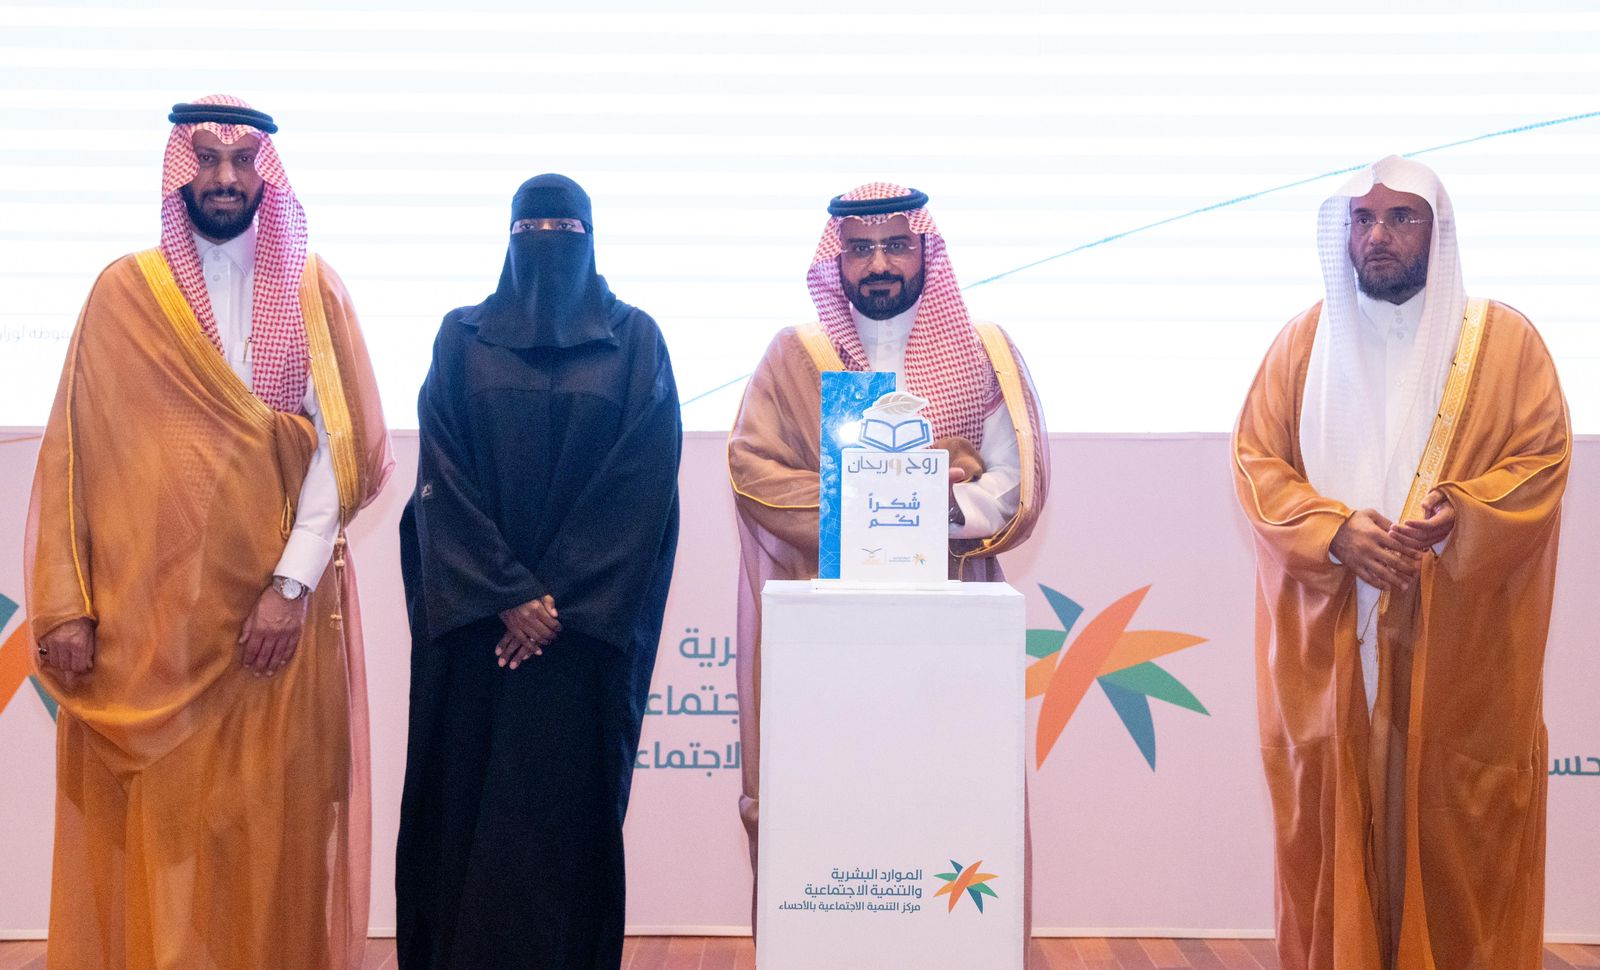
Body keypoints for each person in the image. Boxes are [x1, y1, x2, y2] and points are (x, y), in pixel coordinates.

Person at [26, 95, 392, 969]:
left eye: (242, 160)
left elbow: (341, 453)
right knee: (160, 833)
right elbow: (75, 451)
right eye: (206, 159)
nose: (224, 177)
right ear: (178, 172)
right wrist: (66, 605)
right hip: (149, 625)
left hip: (272, 627)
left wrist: (289, 586)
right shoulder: (123, 294)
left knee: (268, 827)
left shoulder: (312, 290)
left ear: (266, 173)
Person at [1232, 155, 1569, 970]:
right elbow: (1257, 465)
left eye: (1400, 218)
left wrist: (1461, 515)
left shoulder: (1506, 344)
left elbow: (1540, 460)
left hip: (1455, 652)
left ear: (1437, 232)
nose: (1377, 236)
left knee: (1460, 841)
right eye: (1362, 220)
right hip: (1332, 645)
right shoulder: (1301, 345)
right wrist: (1334, 532)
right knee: (1327, 838)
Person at [727, 181, 1049, 903]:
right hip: (824, 623)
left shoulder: (983, 350)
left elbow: (1014, 482)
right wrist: (890, 495)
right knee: (833, 800)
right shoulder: (793, 356)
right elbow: (753, 472)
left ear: (924, 250)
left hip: (949, 618)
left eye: (896, 245)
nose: (879, 264)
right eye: (861, 249)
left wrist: (931, 506)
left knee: (947, 798)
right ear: (836, 260)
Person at [395, 174, 681, 969]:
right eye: (531, 230)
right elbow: (441, 477)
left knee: (565, 829)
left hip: (579, 648)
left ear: (590, 236)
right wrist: (507, 593)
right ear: (508, 237)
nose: (547, 244)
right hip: (479, 641)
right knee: (463, 817)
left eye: (565, 230)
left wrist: (555, 604)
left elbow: (643, 483)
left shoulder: (634, 340)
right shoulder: (462, 337)